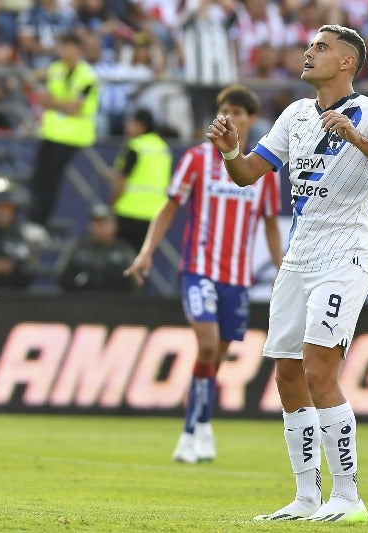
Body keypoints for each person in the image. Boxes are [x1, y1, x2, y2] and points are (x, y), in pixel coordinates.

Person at [206, 24, 368, 523]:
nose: (309, 52)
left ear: (347, 62)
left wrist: (357, 137)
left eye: (321, 47)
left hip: (344, 251)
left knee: (320, 368)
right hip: (299, 256)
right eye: (310, 45)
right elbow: (247, 175)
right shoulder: (296, 114)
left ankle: (348, 498)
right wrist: (232, 149)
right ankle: (306, 496)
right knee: (286, 372)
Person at [124, 84, 283, 464]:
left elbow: (271, 225)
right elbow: (169, 207)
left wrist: (283, 271)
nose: (233, 117)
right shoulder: (196, 160)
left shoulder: (263, 170)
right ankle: (189, 432)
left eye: (241, 112)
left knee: (217, 356)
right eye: (227, 110)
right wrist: (147, 252)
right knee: (207, 345)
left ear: (251, 119)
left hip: (237, 277)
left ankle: (203, 424)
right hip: (199, 270)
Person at [27, 31, 99, 227]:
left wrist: (55, 104)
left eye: (69, 47)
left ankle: (41, 221)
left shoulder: (88, 76)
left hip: (75, 135)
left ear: (78, 50)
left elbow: (74, 108)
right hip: (51, 131)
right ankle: (33, 218)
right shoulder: (55, 69)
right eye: (62, 46)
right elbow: (43, 99)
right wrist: (61, 104)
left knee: (51, 177)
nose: (65, 51)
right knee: (38, 175)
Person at [108, 108, 172, 251]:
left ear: (141, 125)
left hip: (128, 211)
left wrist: (111, 204)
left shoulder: (135, 146)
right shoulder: (163, 148)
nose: (127, 127)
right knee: (141, 260)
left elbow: (122, 182)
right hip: (153, 214)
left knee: (121, 260)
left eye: (130, 123)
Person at [56, 203, 138, 292]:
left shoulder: (123, 251)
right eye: (95, 223)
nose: (99, 227)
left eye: (103, 223)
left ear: (115, 226)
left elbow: (135, 283)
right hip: (81, 302)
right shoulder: (76, 248)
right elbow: (60, 279)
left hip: (115, 302)